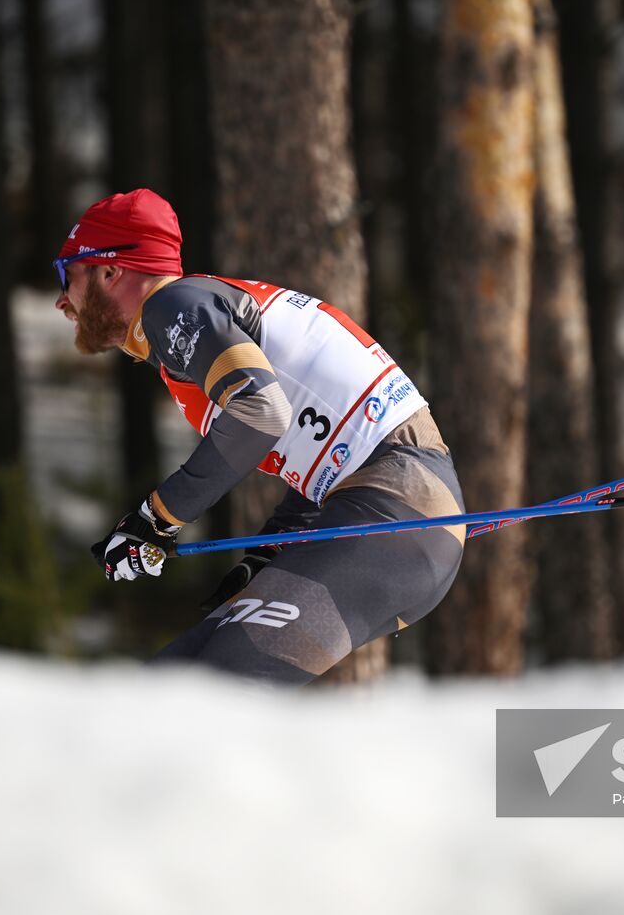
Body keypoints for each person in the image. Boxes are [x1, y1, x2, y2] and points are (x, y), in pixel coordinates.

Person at [53, 188, 464, 684]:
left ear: (110, 271)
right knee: (168, 687)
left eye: (67, 274)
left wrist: (156, 518)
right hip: (392, 514)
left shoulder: (173, 306)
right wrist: (270, 548)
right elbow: (329, 446)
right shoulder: (194, 312)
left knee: (202, 698)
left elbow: (262, 413)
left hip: (397, 512)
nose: (61, 299)